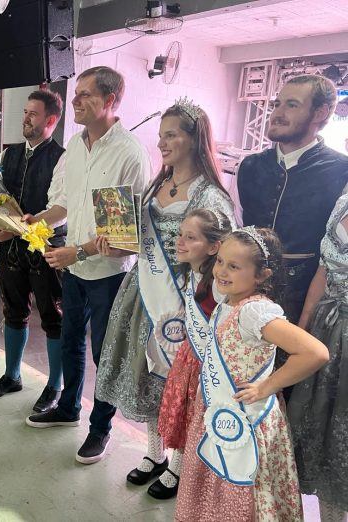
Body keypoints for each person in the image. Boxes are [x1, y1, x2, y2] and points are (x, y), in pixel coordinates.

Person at [94, 100, 235, 484]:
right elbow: (139, 243)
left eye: (171, 135)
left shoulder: (210, 197)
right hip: (143, 293)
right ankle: (154, 453)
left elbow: (221, 258)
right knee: (146, 375)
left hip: (183, 303)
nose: (161, 143)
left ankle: (178, 463)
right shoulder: (156, 186)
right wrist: (116, 246)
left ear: (194, 139)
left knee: (177, 383)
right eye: (160, 136)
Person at [23, 67, 150, 466]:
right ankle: (68, 408)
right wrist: (35, 221)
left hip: (108, 275)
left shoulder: (128, 153)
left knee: (104, 354)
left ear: (109, 100)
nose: (75, 101)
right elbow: (64, 203)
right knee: (70, 341)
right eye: (75, 93)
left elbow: (122, 236)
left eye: (85, 94)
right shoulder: (75, 147)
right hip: (75, 270)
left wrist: (75, 253)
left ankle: (100, 429)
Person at [175, 227, 329, 522]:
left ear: (262, 275)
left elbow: (315, 352)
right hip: (221, 411)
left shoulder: (254, 312)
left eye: (234, 266)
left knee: (244, 487)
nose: (221, 271)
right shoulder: (228, 301)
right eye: (220, 261)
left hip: (248, 420)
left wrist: (265, 387)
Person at [0, 89, 67, 413]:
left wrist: (24, 227)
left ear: (51, 120)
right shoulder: (9, 153)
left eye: (33, 113)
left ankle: (55, 386)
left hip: (46, 248)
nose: (26, 118)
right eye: (25, 112)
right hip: (12, 247)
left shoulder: (62, 157)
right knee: (13, 311)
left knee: (53, 317)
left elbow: (62, 209)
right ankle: (12, 375)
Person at [237, 74, 348, 324]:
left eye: (292, 105)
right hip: (244, 294)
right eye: (277, 104)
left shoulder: (342, 171)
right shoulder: (249, 166)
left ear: (320, 113)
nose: (277, 113)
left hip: (307, 305)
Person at [153, 208, 231, 499]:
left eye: (190, 237)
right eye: (180, 235)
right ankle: (177, 464)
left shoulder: (219, 285)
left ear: (213, 247)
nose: (180, 242)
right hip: (190, 354)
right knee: (184, 411)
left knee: (196, 415)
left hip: (208, 362)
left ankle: (184, 470)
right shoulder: (192, 273)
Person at [287, 193, 348, 522]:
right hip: (327, 330)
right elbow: (323, 270)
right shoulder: (342, 201)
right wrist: (304, 326)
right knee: (322, 434)